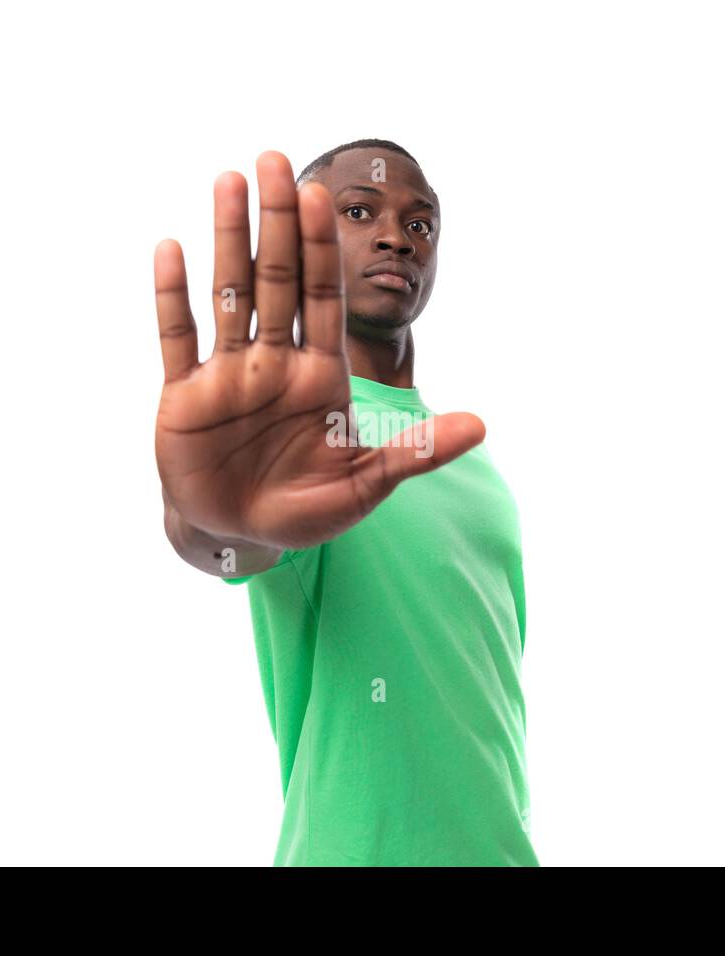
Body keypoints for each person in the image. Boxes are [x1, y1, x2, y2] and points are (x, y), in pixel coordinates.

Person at [152, 140, 538, 866]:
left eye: (421, 224)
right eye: (359, 212)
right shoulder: (288, 444)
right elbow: (229, 543)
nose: (397, 236)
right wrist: (212, 516)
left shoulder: (469, 460)